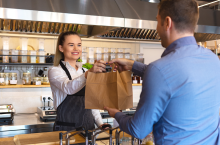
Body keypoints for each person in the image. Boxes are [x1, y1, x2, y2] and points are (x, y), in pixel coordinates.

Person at [105, 0, 220, 144]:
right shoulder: (214, 60)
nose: (157, 28)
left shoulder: (160, 69)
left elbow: (138, 130)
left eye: (157, 21)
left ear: (167, 22)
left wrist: (116, 113)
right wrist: (133, 65)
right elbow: (175, 79)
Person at [49, 31, 107, 131]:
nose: (76, 49)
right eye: (71, 45)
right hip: (66, 131)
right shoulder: (55, 71)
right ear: (61, 48)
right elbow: (68, 88)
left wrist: (100, 123)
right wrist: (88, 74)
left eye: (79, 45)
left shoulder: (84, 71)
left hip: (88, 129)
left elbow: (92, 102)